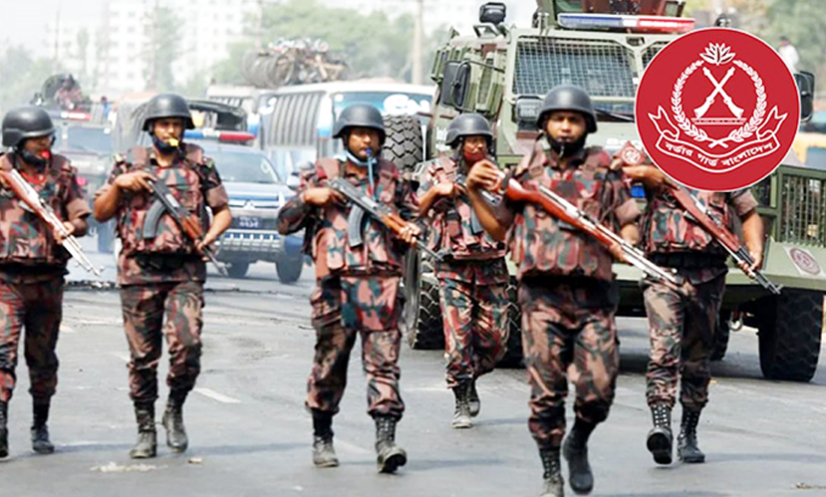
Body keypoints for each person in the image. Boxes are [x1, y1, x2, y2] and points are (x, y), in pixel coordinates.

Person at [466, 85, 641, 497]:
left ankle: (577, 441)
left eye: (573, 120)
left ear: (586, 126)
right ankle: (551, 474)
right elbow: (500, 229)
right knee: (546, 392)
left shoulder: (604, 171)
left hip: (594, 298)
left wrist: (626, 243)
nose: (565, 126)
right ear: (545, 125)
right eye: (558, 119)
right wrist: (473, 193)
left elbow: (628, 221)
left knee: (599, 389)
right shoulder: (525, 173)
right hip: (541, 299)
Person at [276, 103, 419, 474]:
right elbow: (284, 223)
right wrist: (309, 198)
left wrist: (409, 230)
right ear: (345, 138)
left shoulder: (392, 178)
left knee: (384, 366)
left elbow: (415, 219)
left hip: (381, 286)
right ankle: (322, 435)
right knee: (330, 365)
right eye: (358, 134)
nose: (365, 140)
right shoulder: (321, 174)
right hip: (335, 288)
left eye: (371, 134)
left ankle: (386, 440)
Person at [93, 93, 232, 459]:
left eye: (177, 125)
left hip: (185, 271)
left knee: (188, 346)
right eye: (164, 124)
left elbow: (223, 211)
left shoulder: (199, 164)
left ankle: (174, 408)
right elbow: (101, 212)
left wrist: (209, 235)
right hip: (138, 272)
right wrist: (120, 186)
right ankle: (145, 428)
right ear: (151, 128)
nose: (171, 130)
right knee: (143, 357)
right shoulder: (128, 164)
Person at [622, 163, 763, 466]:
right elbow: (617, 171)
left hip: (707, 276)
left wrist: (754, 250)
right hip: (662, 271)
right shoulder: (657, 157)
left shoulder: (723, 167)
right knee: (663, 351)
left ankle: (689, 432)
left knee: (698, 359)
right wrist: (646, 173)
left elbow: (748, 213)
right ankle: (661, 425)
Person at [0, 106, 91, 458]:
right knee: (2, 355)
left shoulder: (62, 171)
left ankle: (40, 425)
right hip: (6, 280)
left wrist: (71, 226)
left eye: (47, 139)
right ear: (17, 141)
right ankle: (0, 425)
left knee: (42, 359)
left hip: (48, 281)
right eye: (37, 140)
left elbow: (81, 217)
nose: (45, 146)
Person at [416, 113, 509, 429]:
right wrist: (436, 192)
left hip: (491, 266)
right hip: (453, 267)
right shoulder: (437, 172)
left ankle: (471, 376)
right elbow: (413, 210)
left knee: (496, 341)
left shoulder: (496, 174)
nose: (478, 146)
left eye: (482, 141)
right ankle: (461, 397)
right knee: (458, 341)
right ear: (458, 144)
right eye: (471, 141)